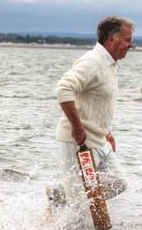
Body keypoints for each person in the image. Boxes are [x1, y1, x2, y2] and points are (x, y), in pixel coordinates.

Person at [47, 16, 133, 218]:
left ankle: (58, 194)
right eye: (127, 40)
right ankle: (61, 200)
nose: (131, 45)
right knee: (77, 205)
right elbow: (64, 89)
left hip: (100, 140)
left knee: (118, 183)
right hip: (77, 141)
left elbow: (95, 101)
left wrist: (106, 131)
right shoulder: (92, 61)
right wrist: (77, 127)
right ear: (112, 39)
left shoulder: (110, 63)